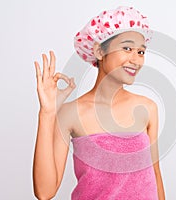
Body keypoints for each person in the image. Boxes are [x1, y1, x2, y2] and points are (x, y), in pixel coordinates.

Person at [32, 6, 165, 200]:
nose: (136, 60)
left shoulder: (147, 108)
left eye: (141, 52)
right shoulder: (70, 113)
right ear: (99, 51)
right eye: (127, 48)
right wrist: (46, 112)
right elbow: (44, 192)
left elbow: (155, 175)